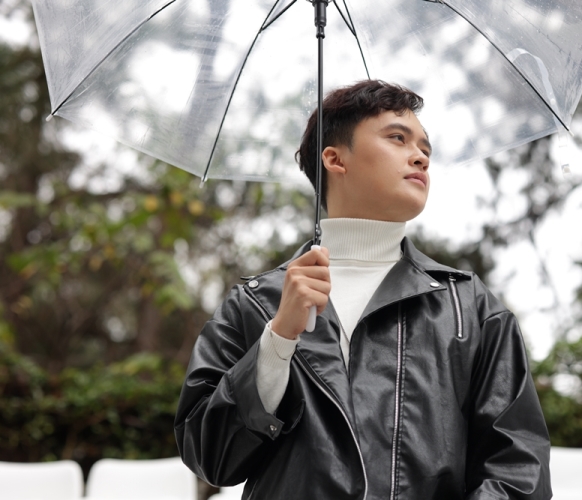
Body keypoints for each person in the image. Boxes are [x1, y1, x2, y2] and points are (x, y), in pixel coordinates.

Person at [175, 80, 551, 500]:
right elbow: (209, 456)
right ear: (335, 159)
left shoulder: (469, 308)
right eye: (398, 138)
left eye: (425, 148)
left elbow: (519, 470)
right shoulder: (255, 304)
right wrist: (278, 339)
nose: (421, 157)